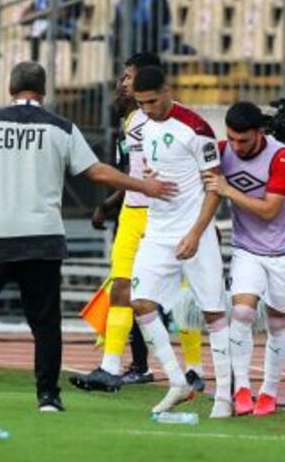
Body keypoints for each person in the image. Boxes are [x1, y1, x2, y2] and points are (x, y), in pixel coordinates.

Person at [0, 62, 176, 411]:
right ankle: (48, 396)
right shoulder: (61, 126)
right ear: (44, 90)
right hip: (43, 237)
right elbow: (95, 171)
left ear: (10, 88)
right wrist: (144, 185)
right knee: (45, 322)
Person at [69, 52, 201, 392]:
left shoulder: (174, 121)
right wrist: (115, 204)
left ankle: (195, 368)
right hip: (134, 210)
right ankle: (110, 367)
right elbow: (136, 174)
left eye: (128, 77)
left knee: (184, 293)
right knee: (122, 287)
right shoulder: (132, 121)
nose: (122, 83)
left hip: (169, 214)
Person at [125, 66, 232, 418]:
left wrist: (196, 233)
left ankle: (224, 396)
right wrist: (151, 177)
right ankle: (177, 381)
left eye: (153, 101)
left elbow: (214, 187)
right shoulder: (143, 125)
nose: (148, 109)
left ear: (167, 89)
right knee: (140, 303)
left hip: (194, 232)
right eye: (141, 103)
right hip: (158, 230)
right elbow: (154, 169)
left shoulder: (197, 129)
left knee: (214, 311)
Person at [202, 102, 285, 417]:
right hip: (248, 248)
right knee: (243, 312)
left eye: (243, 140)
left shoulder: (282, 156)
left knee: (277, 322)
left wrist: (228, 190)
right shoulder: (222, 151)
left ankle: (269, 392)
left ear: (260, 133)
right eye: (230, 139)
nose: (235, 146)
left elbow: (270, 210)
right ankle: (242, 388)